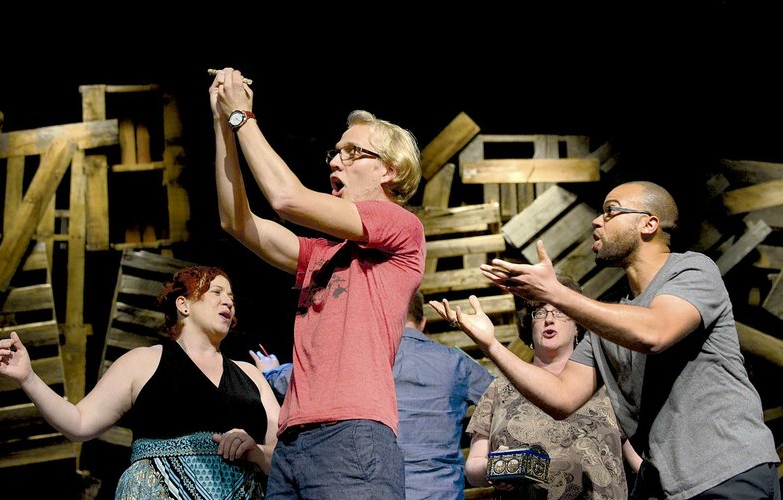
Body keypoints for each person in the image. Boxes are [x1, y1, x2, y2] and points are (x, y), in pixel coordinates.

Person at [431, 181, 781, 499]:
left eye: (611, 211)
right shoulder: (609, 321)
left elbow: (655, 332)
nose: (597, 221)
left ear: (649, 224)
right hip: (669, 487)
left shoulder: (692, 271)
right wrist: (491, 345)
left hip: (728, 473)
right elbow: (562, 397)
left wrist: (557, 293)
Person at [210, 68, 426, 498]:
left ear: (389, 170)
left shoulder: (400, 224)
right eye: (335, 151)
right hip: (293, 441)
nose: (334, 160)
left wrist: (242, 117)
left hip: (352, 436)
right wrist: (222, 122)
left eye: (352, 152)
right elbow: (235, 221)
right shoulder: (321, 254)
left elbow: (286, 199)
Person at [0, 266, 280, 499]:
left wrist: (257, 451)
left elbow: (285, 452)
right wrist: (29, 377)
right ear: (184, 304)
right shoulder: (143, 362)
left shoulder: (251, 375)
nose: (228, 300)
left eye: (231, 295)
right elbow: (78, 423)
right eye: (216, 291)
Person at [251, 290, 495, 500]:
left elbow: (298, 379)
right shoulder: (455, 363)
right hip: (439, 491)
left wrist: (272, 372)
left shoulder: (357, 355)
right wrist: (480, 443)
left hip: (370, 487)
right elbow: (504, 397)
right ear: (422, 323)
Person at [465, 274, 628, 499]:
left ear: (578, 326)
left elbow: (639, 458)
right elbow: (473, 467)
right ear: (529, 326)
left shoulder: (604, 383)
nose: (549, 319)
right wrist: (495, 467)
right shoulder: (500, 389)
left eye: (560, 311)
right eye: (540, 312)